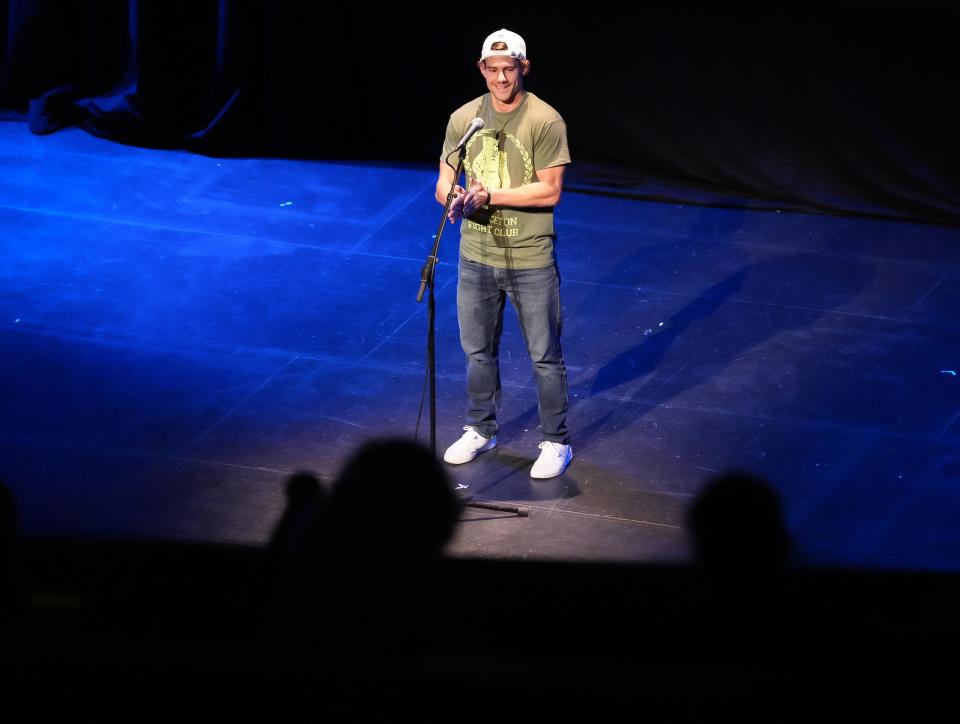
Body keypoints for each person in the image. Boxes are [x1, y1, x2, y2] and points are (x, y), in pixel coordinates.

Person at [437, 29, 572, 479]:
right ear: (482, 70)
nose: (500, 78)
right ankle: (481, 428)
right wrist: (453, 197)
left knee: (544, 355)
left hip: (530, 257)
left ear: (523, 68)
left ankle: (556, 441)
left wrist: (489, 195)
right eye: (492, 70)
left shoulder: (545, 120)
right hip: (475, 254)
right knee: (477, 352)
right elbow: (443, 180)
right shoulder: (464, 119)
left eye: (508, 69)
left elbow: (550, 191)